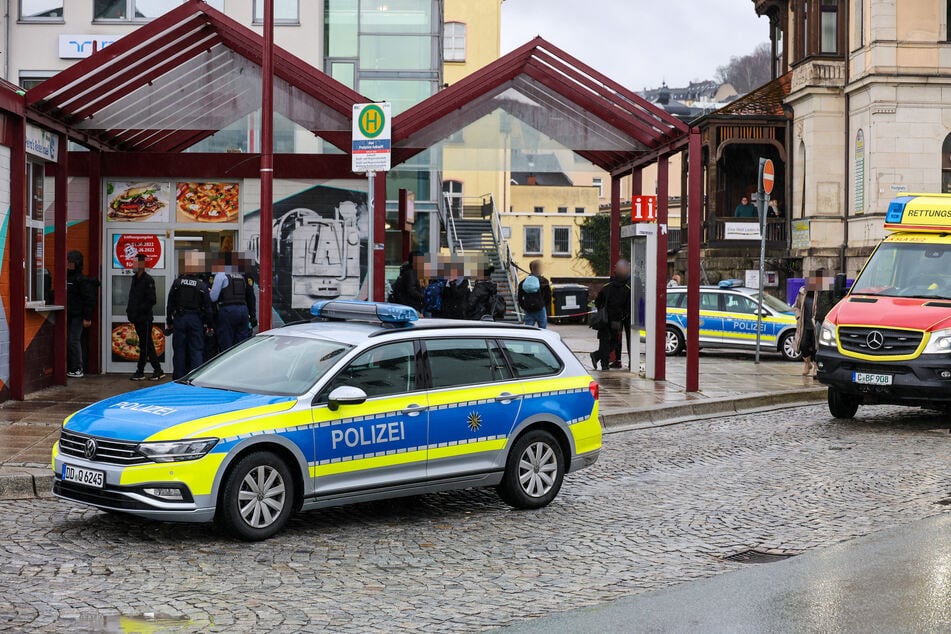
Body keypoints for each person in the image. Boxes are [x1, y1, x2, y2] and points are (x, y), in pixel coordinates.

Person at [167, 252, 214, 380]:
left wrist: (169, 321)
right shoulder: (202, 286)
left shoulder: (177, 283)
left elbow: (170, 303)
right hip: (195, 319)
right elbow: (208, 308)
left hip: (180, 319)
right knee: (196, 350)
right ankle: (195, 379)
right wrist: (210, 325)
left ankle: (178, 378)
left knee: (179, 350)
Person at [126, 254, 165, 381]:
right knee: (146, 345)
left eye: (135, 262)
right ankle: (150, 370)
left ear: (142, 264)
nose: (133, 265)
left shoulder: (148, 280)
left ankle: (149, 370)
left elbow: (151, 300)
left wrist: (138, 311)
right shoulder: (134, 279)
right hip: (136, 318)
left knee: (146, 345)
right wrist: (130, 312)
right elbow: (132, 298)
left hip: (145, 318)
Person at [210, 254, 257, 352]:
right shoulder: (241, 275)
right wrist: (252, 315)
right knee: (240, 347)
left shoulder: (221, 275)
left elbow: (213, 298)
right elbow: (250, 295)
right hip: (243, 312)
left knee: (226, 346)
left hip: (228, 311)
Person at [793, 270, 836, 377]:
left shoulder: (821, 293)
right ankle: (807, 363)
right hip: (804, 324)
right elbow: (796, 306)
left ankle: (815, 367)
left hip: (815, 324)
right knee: (803, 346)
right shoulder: (802, 291)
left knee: (815, 346)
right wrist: (798, 316)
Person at [591, 259, 632, 371]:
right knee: (613, 342)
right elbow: (628, 307)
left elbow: (598, 302)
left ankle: (602, 361)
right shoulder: (627, 289)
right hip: (616, 320)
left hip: (604, 319)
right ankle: (598, 357)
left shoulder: (607, 286)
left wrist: (602, 310)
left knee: (605, 341)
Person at [65, 251, 98, 378]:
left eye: (71, 262)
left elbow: (89, 300)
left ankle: (78, 368)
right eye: (68, 261)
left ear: (77, 264)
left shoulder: (81, 280)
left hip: (78, 316)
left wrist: (87, 317)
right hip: (70, 315)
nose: (68, 264)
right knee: (73, 341)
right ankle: (74, 367)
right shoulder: (67, 277)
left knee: (74, 341)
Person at [517, 260, 551, 328]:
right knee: (543, 330)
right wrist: (544, 306)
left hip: (529, 309)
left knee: (528, 330)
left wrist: (524, 307)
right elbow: (548, 296)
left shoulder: (524, 282)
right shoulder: (544, 281)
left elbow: (519, 297)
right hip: (540, 309)